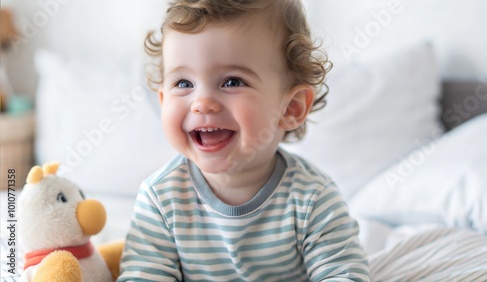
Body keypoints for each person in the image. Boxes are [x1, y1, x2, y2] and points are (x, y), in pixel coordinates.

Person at [118, 0, 369, 281]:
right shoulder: (161, 199)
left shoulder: (312, 198)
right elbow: (143, 275)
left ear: (291, 108)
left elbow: (343, 273)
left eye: (232, 82)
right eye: (184, 83)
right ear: (163, 100)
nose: (201, 103)